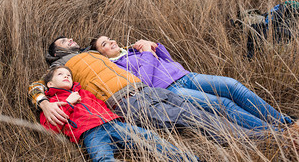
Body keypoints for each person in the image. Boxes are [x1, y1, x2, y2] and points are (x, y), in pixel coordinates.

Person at [29, 36, 264, 147]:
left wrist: (145, 46)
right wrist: (42, 101)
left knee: (200, 110)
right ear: (56, 53)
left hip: (145, 90)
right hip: (126, 100)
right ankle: (260, 141)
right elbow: (38, 84)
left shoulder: (91, 54)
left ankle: (262, 134)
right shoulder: (61, 66)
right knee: (191, 118)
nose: (70, 39)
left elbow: (122, 56)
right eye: (63, 41)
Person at [89, 35, 298, 133]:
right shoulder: (115, 68)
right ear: (101, 54)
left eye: (109, 39)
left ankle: (285, 122)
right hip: (171, 89)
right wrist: (146, 54)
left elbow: (167, 60)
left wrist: (155, 46)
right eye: (105, 44)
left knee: (233, 85)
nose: (112, 42)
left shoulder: (133, 49)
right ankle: (274, 133)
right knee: (222, 104)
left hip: (186, 75)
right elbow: (145, 79)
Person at [40, 65, 197, 162]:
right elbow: (51, 128)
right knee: (103, 158)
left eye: (68, 74)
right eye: (60, 74)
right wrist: (69, 103)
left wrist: (114, 117)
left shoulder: (83, 92)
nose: (66, 76)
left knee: (150, 139)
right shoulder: (50, 104)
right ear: (50, 84)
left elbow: (101, 105)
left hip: (114, 124)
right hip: (90, 134)